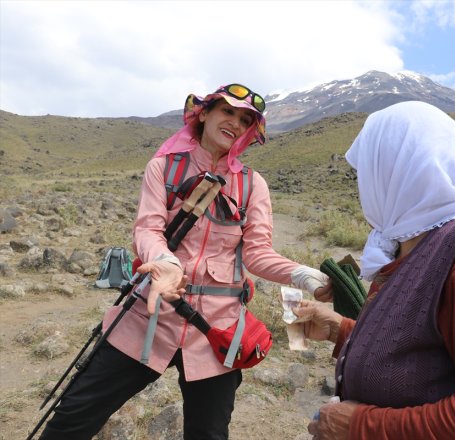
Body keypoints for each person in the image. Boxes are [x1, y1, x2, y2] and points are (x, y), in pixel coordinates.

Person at [39, 84, 328, 440]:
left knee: (208, 434)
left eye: (245, 120)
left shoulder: (254, 186)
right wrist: (165, 263)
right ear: (204, 113)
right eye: (228, 112)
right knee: (72, 418)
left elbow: (257, 253)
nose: (235, 124)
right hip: (150, 314)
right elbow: (147, 229)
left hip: (217, 329)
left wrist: (302, 275)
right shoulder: (163, 168)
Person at [293, 101, 455, 439]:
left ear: (396, 172)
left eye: (367, 172)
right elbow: (419, 346)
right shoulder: (418, 241)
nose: (363, 187)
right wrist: (340, 330)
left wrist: (361, 427)